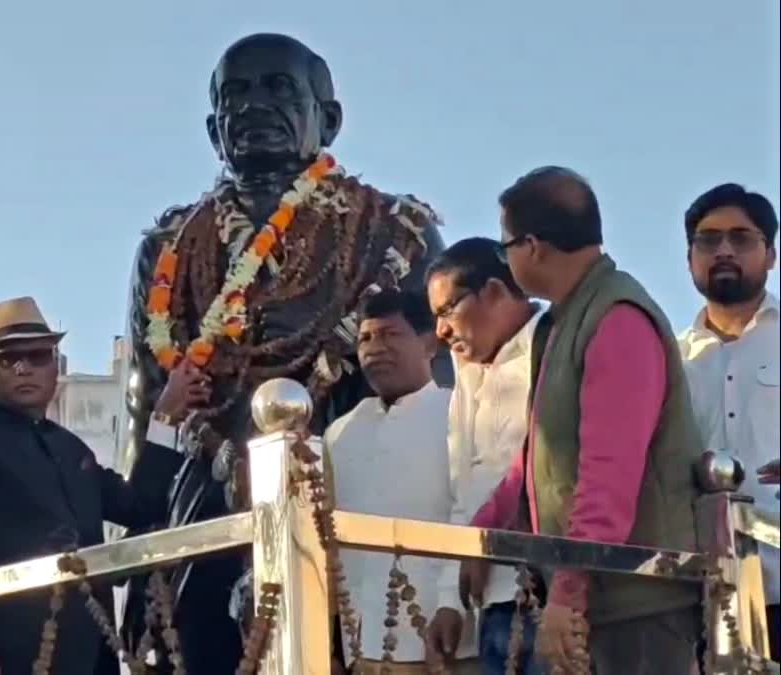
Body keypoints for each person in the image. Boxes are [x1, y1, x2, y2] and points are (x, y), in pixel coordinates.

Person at [119, 32, 448, 672]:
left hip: (347, 489)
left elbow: (434, 395)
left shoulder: (392, 230)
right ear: (214, 130)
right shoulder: (169, 245)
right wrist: (143, 557)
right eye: (235, 94)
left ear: (328, 120)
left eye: (279, 88)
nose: (254, 105)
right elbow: (147, 410)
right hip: (206, 500)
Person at [462, 166, 704, 674]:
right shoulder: (565, 320)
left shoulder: (617, 317)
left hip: (639, 601)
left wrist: (568, 593)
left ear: (532, 247)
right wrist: (479, 539)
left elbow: (606, 479)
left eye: (506, 246)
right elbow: (533, 460)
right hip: (601, 595)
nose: (507, 260)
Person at [0, 297, 188, 675]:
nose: (24, 368)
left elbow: (139, 505)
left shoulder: (69, 446)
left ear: (55, 365)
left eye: (38, 356)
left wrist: (165, 416)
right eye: (8, 359)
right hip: (3, 650)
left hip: (90, 653)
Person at [324, 290, 474, 674]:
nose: (375, 348)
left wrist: (450, 603)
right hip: (366, 646)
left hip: (448, 643)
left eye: (391, 335)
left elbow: (469, 514)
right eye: (365, 339)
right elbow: (329, 544)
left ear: (428, 343)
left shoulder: (459, 414)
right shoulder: (340, 434)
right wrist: (332, 645)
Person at [422, 238, 545, 674]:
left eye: (447, 310)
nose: (440, 331)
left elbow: (548, 471)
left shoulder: (558, 345)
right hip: (490, 608)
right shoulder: (469, 371)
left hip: (551, 597)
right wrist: (447, 602)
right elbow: (465, 492)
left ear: (493, 293)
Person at [676, 183, 779, 662]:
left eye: (741, 238)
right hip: (703, 592)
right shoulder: (670, 360)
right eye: (707, 239)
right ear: (689, 257)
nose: (723, 250)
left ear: (771, 254)